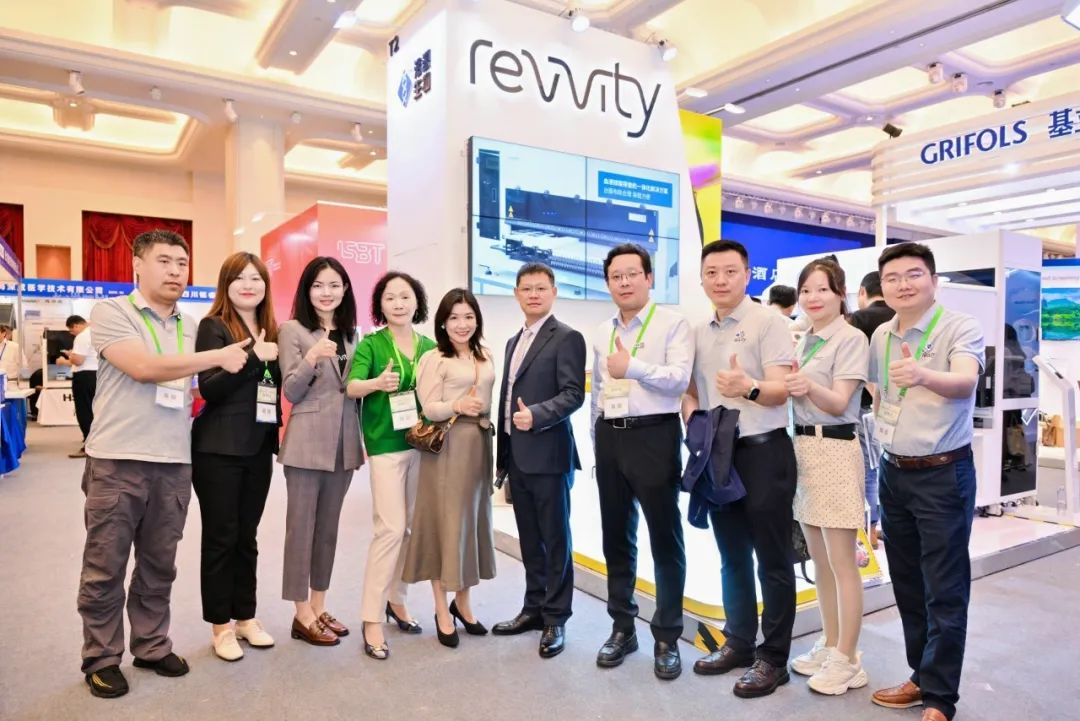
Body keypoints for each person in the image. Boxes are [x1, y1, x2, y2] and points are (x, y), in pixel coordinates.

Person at [77, 230, 251, 698]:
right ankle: (102, 657)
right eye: (164, 261)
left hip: (174, 461)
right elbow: (144, 368)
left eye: (182, 263)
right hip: (118, 459)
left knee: (159, 564)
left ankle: (151, 645)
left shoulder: (191, 325)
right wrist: (218, 356)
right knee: (105, 565)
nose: (175, 271)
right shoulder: (112, 312)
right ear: (137, 264)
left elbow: (198, 386)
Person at [868, 243, 984, 721]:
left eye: (913, 274)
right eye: (892, 278)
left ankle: (940, 698)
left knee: (944, 587)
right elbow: (878, 394)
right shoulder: (881, 334)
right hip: (894, 473)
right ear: (883, 286)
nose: (903, 284)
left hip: (942, 475)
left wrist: (922, 374)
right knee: (908, 584)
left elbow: (965, 381)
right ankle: (920, 674)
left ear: (933, 280)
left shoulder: (960, 326)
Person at [683, 240, 796, 698]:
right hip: (719, 453)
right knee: (731, 555)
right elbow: (691, 390)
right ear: (702, 279)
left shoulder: (769, 322)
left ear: (748, 275)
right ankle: (740, 642)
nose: (721, 280)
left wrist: (748, 388)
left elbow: (782, 390)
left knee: (772, 558)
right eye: (712, 272)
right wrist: (692, 418)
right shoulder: (698, 331)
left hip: (764, 451)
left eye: (730, 271)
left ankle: (774, 658)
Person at [590, 243, 690, 681]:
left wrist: (633, 367)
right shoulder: (602, 331)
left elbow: (679, 380)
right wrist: (597, 440)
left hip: (655, 435)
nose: (624, 282)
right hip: (610, 435)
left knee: (665, 539)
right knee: (615, 537)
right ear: (608, 283)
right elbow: (598, 391)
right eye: (616, 276)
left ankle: (667, 636)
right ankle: (622, 627)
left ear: (649, 278)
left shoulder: (672, 323)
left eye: (633, 274)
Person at [783, 258, 870, 695]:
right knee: (819, 561)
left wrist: (807, 386)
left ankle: (849, 659)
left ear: (840, 293)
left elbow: (839, 402)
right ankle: (831, 642)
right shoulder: (805, 339)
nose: (813, 298)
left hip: (835, 449)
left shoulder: (851, 338)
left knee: (842, 562)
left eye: (822, 289)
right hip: (803, 450)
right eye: (806, 290)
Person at [492, 263, 586, 659]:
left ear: (553, 292)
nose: (534, 294)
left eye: (541, 288)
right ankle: (533, 608)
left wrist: (538, 415)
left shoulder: (566, 337)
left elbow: (573, 394)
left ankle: (556, 618)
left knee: (555, 539)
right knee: (530, 539)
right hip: (518, 455)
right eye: (527, 288)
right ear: (516, 293)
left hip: (548, 454)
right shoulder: (514, 341)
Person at [191, 252, 281, 662]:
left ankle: (246, 616)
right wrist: (254, 359)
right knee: (221, 537)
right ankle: (220, 626)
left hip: (258, 447)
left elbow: (273, 388)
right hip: (218, 449)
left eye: (256, 278)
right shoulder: (214, 326)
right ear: (226, 284)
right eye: (239, 278)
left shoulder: (271, 328)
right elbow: (210, 388)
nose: (248, 285)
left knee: (247, 536)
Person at [346, 271, 437, 660]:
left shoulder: (430, 347)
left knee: (411, 529)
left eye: (405, 297)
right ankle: (371, 617)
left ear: (417, 302)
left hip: (423, 445)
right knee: (390, 529)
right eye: (390, 298)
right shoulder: (372, 343)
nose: (398, 304)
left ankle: (396, 600)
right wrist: (376, 384)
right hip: (385, 444)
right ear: (380, 305)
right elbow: (351, 387)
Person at [402, 288, 497, 649]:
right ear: (443, 322)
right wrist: (458, 404)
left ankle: (464, 603)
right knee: (446, 527)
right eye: (454, 317)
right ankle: (442, 609)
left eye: (468, 317)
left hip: (479, 445)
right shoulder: (434, 358)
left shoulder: (485, 354)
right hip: (448, 447)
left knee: (471, 525)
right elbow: (428, 408)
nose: (462, 324)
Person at [278, 256, 364, 647]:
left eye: (333, 285)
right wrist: (312, 357)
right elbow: (291, 391)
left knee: (327, 531)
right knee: (301, 530)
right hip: (306, 443)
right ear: (306, 290)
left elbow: (352, 389)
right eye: (318, 285)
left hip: (344, 444)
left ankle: (318, 604)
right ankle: (301, 613)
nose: (326, 292)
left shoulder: (352, 334)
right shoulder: (292, 330)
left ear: (345, 289)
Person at [848, 270, 895, 548]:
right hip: (895, 405)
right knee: (886, 465)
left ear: (863, 292)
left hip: (864, 406)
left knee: (866, 468)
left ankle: (870, 529)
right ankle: (885, 524)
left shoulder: (858, 319)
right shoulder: (899, 318)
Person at [57, 315, 96, 457]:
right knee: (94, 410)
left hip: (84, 377)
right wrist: (72, 354)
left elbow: (79, 361)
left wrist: (64, 361)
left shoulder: (82, 336)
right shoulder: (95, 332)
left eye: (71, 330)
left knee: (84, 410)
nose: (71, 333)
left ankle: (89, 445)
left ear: (76, 325)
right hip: (96, 375)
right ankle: (95, 442)